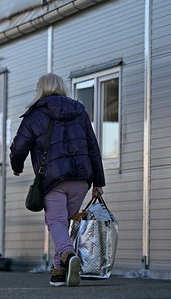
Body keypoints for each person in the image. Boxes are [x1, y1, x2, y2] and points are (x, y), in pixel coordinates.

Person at [9, 73, 106, 287]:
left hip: (54, 178)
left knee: (56, 222)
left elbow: (19, 147)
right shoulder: (79, 110)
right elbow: (93, 146)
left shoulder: (35, 114)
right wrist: (98, 182)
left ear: (40, 89)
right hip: (81, 177)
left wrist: (16, 166)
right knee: (68, 223)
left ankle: (68, 255)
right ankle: (58, 271)